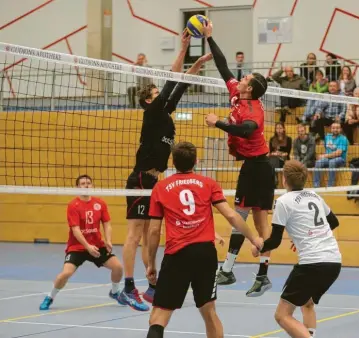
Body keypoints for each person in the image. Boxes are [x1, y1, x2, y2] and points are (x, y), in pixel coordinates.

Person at [120, 32, 213, 311]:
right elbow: (173, 77)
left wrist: (199, 64)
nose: (160, 95)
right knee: (135, 235)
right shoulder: (152, 113)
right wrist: (184, 47)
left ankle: (151, 282)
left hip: (154, 182)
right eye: (156, 94)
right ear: (149, 100)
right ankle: (127, 287)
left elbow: (181, 84)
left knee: (151, 234)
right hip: (139, 179)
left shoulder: (165, 115)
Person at [145, 141, 263, 338]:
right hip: (205, 254)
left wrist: (151, 263)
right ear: (196, 161)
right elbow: (233, 216)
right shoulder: (208, 183)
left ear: (173, 163)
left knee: (158, 316)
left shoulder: (161, 187)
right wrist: (254, 239)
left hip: (177, 255)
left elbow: (154, 231)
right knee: (209, 312)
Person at [202, 20, 274, 297]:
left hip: (258, 167)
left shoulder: (254, 111)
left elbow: (246, 130)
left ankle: (232, 270)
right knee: (251, 219)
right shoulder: (236, 93)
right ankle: (246, 272)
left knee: (244, 218)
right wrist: (210, 37)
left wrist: (217, 123)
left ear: (251, 88)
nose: (241, 78)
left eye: (246, 78)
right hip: (255, 166)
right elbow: (222, 66)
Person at [250, 160, 341, 338]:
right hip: (334, 262)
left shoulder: (283, 201)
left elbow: (275, 241)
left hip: (312, 264)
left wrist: (259, 247)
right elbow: (334, 222)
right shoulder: (315, 196)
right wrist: (311, 235)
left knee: (282, 315)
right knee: (307, 303)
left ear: (284, 180)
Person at [39, 175, 124, 310]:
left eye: (88, 183)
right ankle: (50, 296)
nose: (86, 185)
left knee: (118, 267)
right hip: (77, 247)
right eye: (83, 183)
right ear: (77, 187)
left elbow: (107, 223)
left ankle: (114, 292)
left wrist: (108, 240)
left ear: (92, 185)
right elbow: (75, 230)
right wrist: (87, 246)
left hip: (97, 246)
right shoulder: (73, 205)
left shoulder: (100, 203)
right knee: (65, 274)